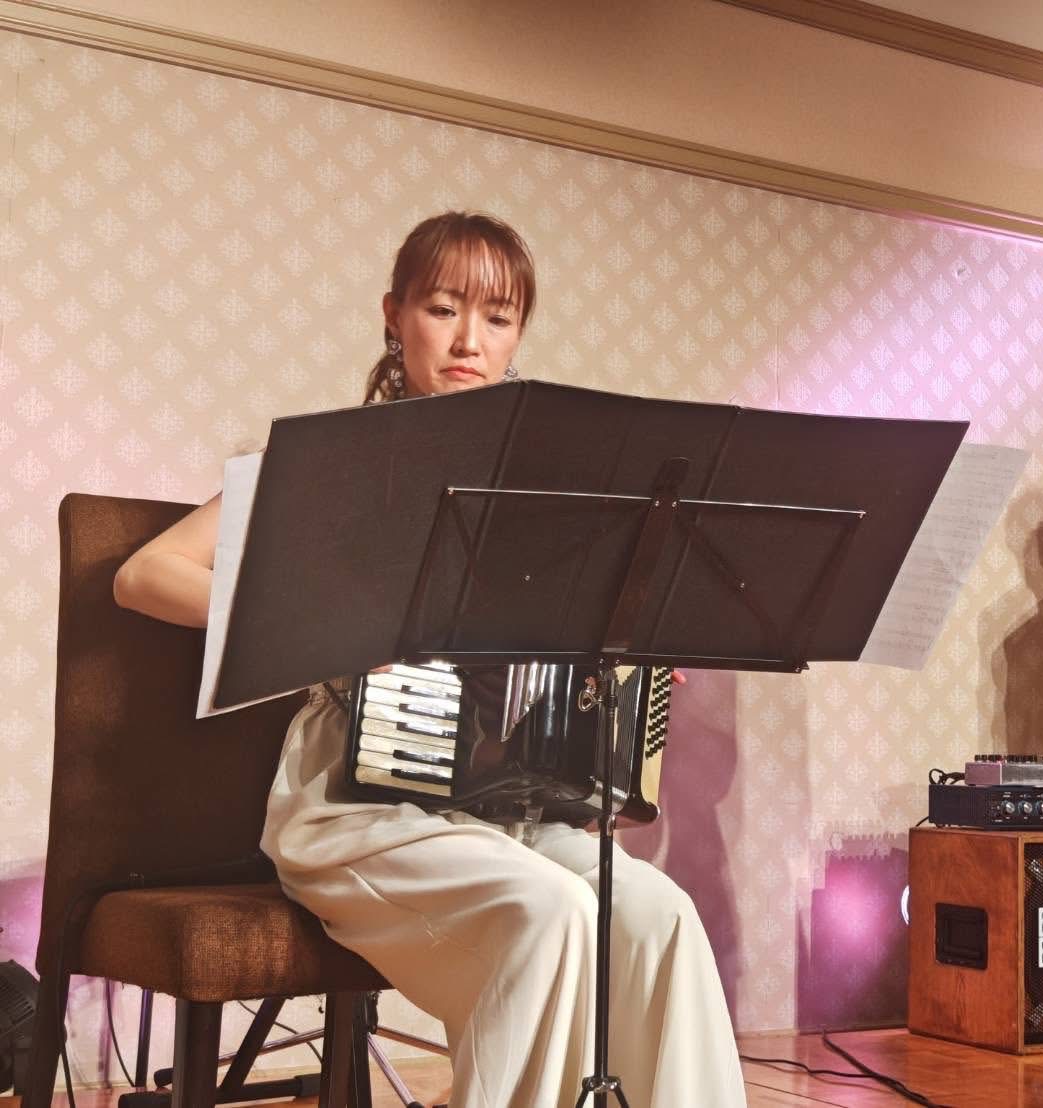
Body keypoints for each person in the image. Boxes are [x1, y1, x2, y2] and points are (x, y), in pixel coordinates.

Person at [112, 211, 747, 1108]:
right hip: (354, 809)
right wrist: (332, 630)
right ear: (394, 315)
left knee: (659, 918)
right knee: (551, 912)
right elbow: (144, 575)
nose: (467, 341)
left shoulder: (554, 491)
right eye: (443, 309)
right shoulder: (333, 460)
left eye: (497, 318)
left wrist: (621, 665)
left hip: (505, 813)